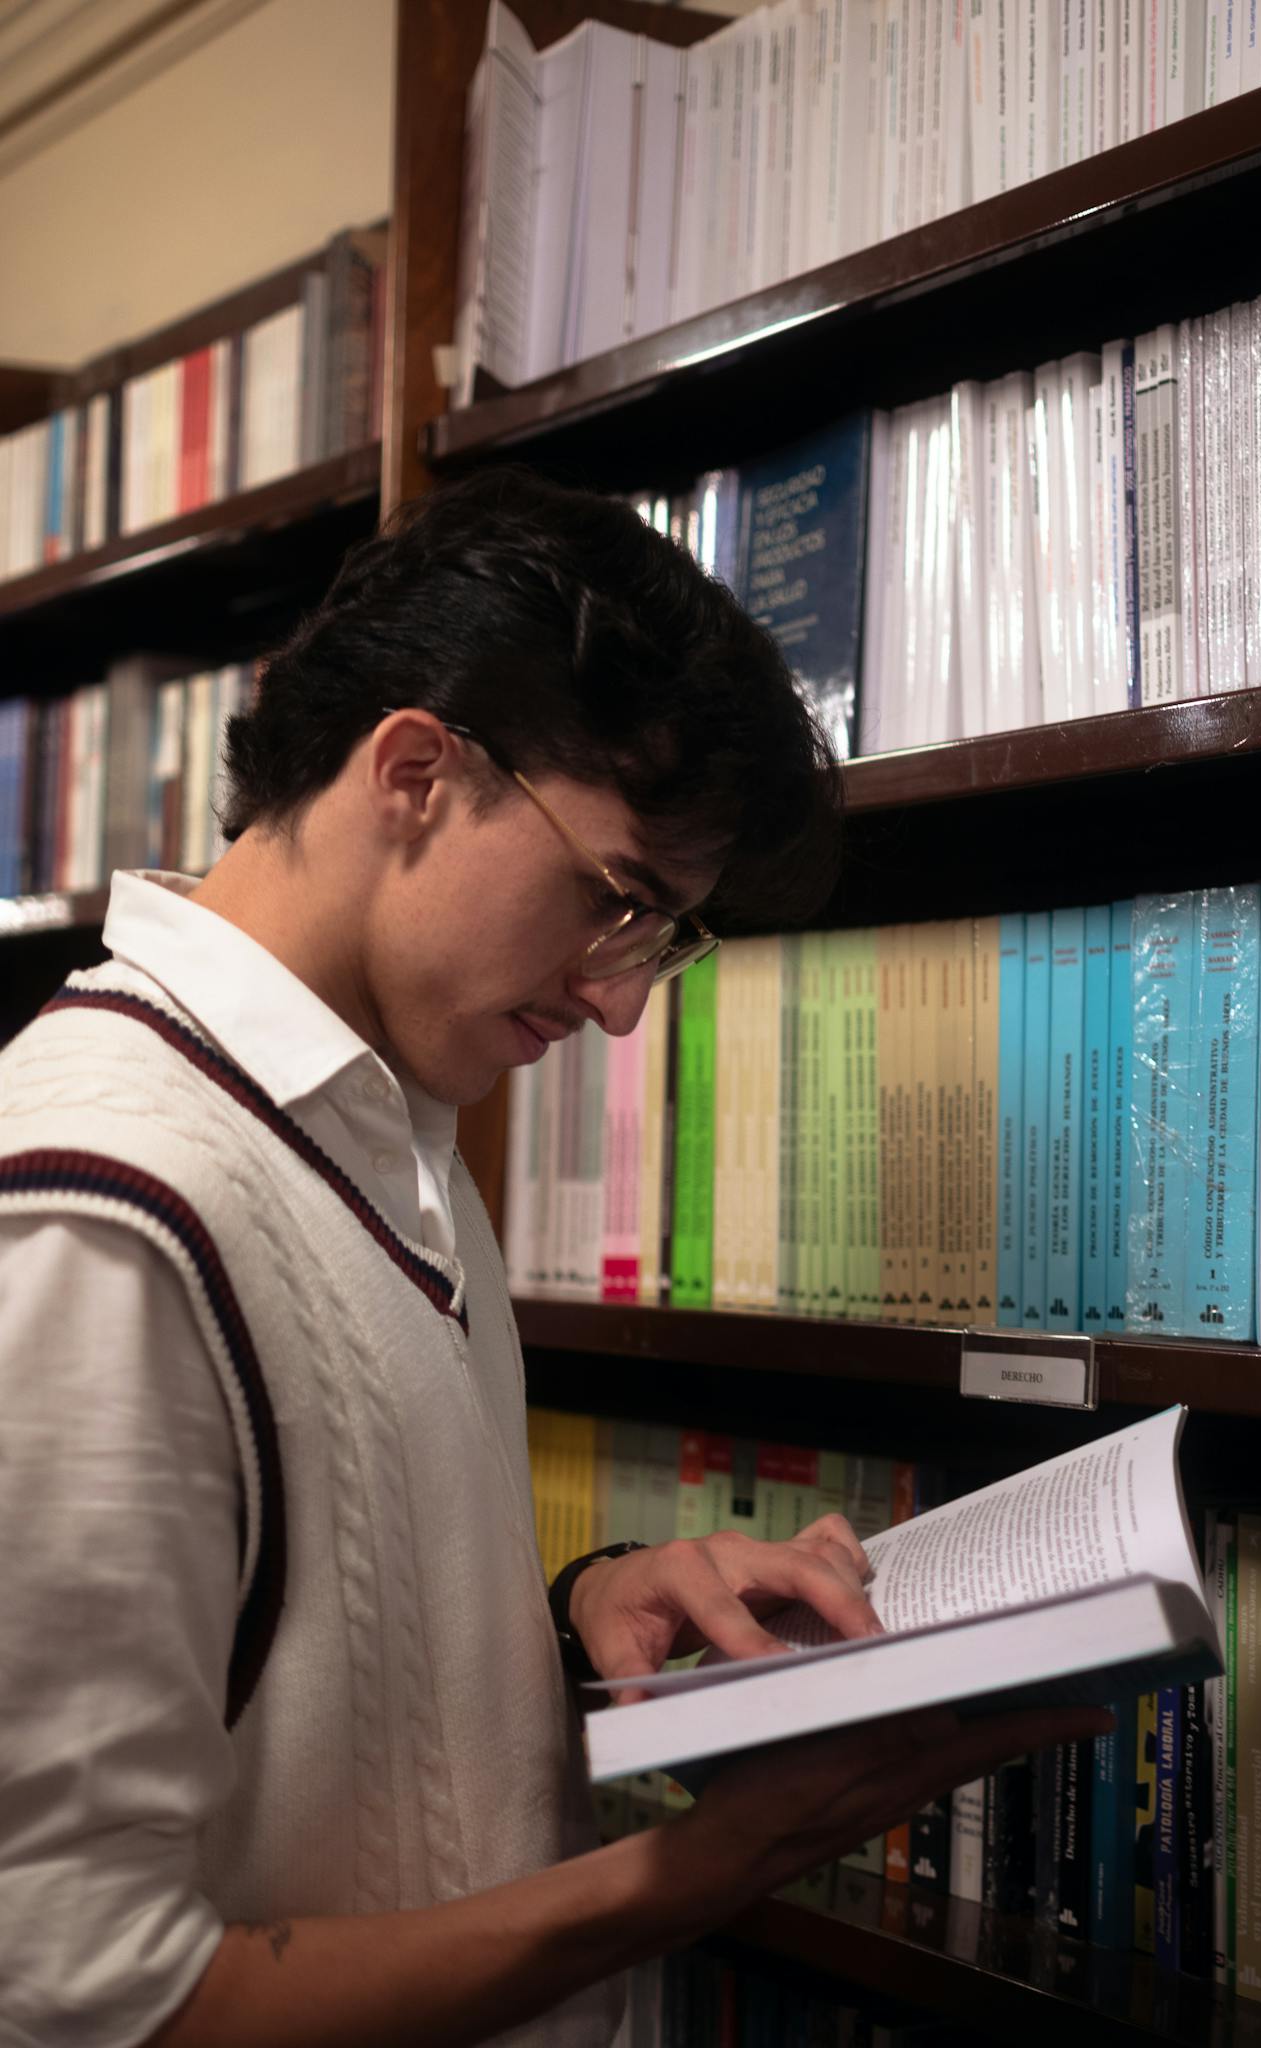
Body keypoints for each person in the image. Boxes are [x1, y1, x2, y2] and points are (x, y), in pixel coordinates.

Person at [0, 467, 1107, 2047]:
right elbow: (75, 1998)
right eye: (613, 901)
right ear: (414, 774)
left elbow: (283, 1680)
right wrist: (692, 1872)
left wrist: (574, 1613)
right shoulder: (93, 1206)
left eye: (659, 937)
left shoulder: (381, 1122)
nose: (619, 1003)